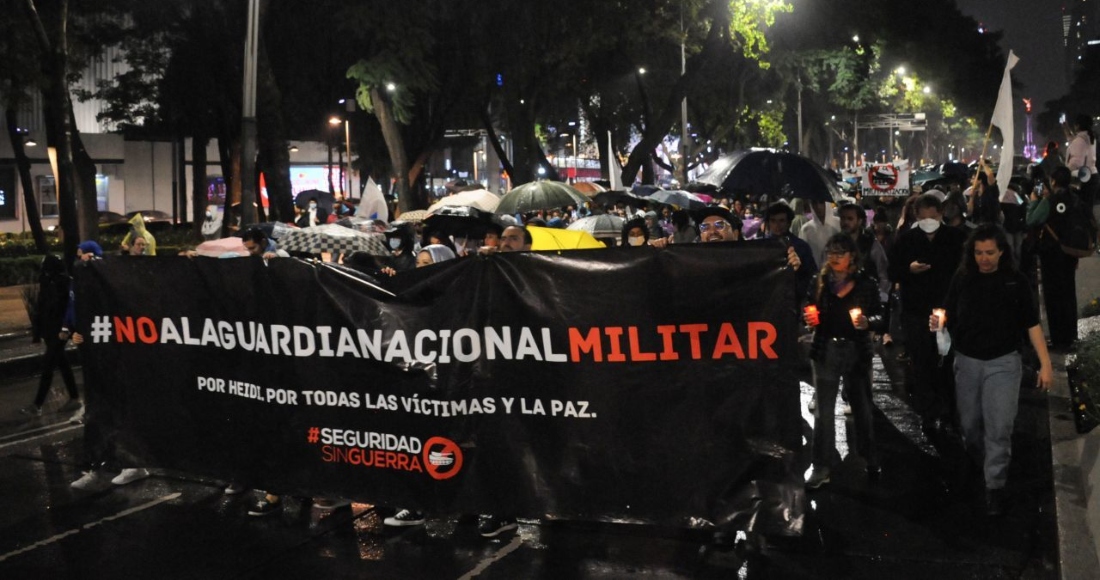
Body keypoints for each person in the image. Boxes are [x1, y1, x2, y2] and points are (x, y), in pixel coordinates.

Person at [933, 224, 1053, 516]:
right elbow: (946, 311)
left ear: (1002, 252)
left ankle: (994, 486)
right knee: (971, 425)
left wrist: (1045, 364)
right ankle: (980, 462)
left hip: (1003, 363)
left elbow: (1031, 324)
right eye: (978, 253)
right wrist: (938, 323)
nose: (983, 259)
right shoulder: (962, 278)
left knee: (999, 426)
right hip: (967, 361)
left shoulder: (1015, 281)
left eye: (989, 253)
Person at [803, 234, 885, 489]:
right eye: (831, 252)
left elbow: (881, 315)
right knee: (824, 413)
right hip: (826, 349)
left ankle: (870, 458)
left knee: (862, 408)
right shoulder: (820, 282)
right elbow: (808, 304)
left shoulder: (864, 283)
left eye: (840, 252)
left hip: (856, 350)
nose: (835, 257)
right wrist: (810, 317)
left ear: (852, 256)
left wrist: (868, 322)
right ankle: (821, 466)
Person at [888, 192, 967, 433]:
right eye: (923, 218)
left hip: (948, 310)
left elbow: (965, 270)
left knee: (948, 362)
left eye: (932, 217)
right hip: (916, 312)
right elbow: (893, 272)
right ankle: (928, 412)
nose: (928, 222)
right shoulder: (907, 240)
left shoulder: (956, 238)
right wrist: (908, 269)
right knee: (922, 363)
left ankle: (951, 412)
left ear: (940, 215)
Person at [1026, 166, 1081, 350]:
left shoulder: (1050, 200)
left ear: (1054, 181)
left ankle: (1059, 339)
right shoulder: (1074, 199)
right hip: (1070, 253)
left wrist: (1034, 201)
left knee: (1053, 296)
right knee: (1068, 294)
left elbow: (1032, 219)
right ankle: (1071, 336)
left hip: (1052, 254)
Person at [21, 255, 81, 417]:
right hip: (51, 331)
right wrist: (38, 333)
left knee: (48, 366)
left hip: (59, 333)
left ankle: (37, 404)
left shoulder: (64, 283)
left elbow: (66, 309)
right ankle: (74, 397)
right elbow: (42, 308)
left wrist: (65, 329)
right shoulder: (48, 282)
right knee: (62, 363)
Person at [799, 199, 841, 267]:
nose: (818, 207)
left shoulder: (839, 223)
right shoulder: (806, 229)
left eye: (821, 202)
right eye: (814, 203)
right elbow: (802, 254)